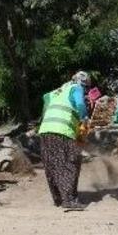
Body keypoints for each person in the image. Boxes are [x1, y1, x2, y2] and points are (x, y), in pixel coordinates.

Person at [37, 71, 91, 211]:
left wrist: (45, 117)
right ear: (83, 83)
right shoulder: (76, 88)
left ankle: (58, 198)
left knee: (52, 165)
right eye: (86, 87)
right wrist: (84, 119)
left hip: (45, 130)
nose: (85, 91)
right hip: (62, 131)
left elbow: (45, 97)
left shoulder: (58, 91)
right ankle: (69, 200)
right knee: (70, 163)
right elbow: (79, 104)